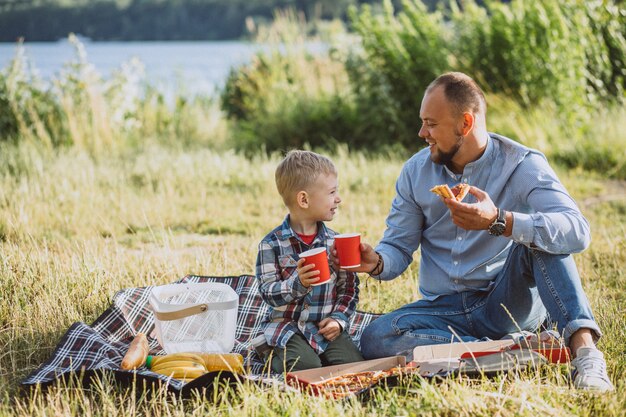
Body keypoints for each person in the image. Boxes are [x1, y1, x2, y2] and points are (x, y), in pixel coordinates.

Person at [336, 72, 613, 391]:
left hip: (506, 301)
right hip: (444, 309)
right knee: (377, 336)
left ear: (465, 124)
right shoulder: (415, 172)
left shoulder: (521, 165)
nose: (421, 132)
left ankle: (587, 356)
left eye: (431, 123)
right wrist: (377, 262)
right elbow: (398, 249)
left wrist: (501, 221)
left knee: (540, 237)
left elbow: (576, 230)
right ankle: (511, 350)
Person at [255, 150, 364, 373]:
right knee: (306, 367)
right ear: (304, 199)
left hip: (324, 327)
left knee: (354, 366)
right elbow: (268, 292)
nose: (338, 198)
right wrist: (299, 283)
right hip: (287, 328)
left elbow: (349, 289)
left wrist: (338, 320)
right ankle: (268, 352)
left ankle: (316, 354)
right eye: (332, 192)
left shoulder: (335, 242)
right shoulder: (271, 245)